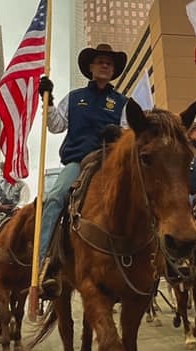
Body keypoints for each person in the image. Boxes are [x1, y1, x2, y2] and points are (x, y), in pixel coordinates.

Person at [36, 43, 129, 296]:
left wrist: (119, 134)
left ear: (113, 70)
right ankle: (46, 264)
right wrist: (48, 100)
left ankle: (156, 262)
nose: (104, 65)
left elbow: (131, 134)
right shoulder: (75, 98)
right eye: (100, 61)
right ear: (90, 67)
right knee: (54, 199)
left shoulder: (122, 102)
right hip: (78, 161)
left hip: (110, 161)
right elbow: (55, 126)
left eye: (109, 63)